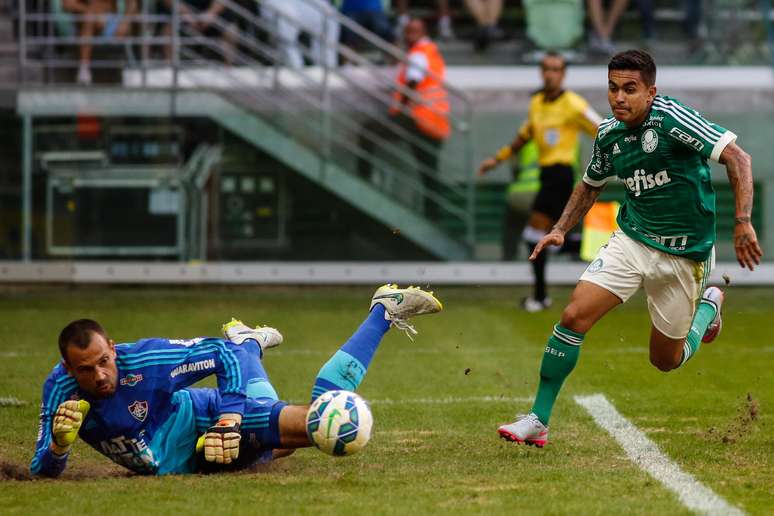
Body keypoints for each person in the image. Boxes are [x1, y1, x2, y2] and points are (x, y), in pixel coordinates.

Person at [497, 49, 763, 447]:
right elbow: (590, 183)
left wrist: (742, 222)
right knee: (573, 316)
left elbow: (738, 159)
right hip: (633, 240)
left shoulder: (672, 118)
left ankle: (707, 307)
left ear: (651, 92)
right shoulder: (609, 134)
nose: (619, 98)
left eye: (629, 89)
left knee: (665, 361)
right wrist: (560, 228)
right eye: (612, 88)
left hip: (684, 253)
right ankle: (539, 418)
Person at [30, 284, 442, 476]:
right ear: (68, 369)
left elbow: (216, 353)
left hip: (206, 420)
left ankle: (381, 312)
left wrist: (228, 418)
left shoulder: (150, 361)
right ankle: (250, 346)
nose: (100, 374)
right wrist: (58, 445)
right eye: (86, 368)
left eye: (105, 360)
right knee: (282, 451)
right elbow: (41, 469)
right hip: (193, 458)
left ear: (114, 349)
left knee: (318, 426)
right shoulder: (60, 392)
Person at [477, 52, 601, 312]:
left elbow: (601, 128)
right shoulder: (537, 104)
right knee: (547, 237)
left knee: (534, 235)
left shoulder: (573, 103)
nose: (550, 73)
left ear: (563, 74)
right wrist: (496, 160)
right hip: (547, 176)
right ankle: (598, 246)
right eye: (546, 68)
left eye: (555, 69)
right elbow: (524, 136)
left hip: (561, 175)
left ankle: (541, 296)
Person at [357, 18, 450, 219]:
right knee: (429, 172)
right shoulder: (431, 53)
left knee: (368, 131)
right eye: (407, 32)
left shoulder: (418, 54)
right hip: (434, 121)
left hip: (415, 118)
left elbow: (413, 81)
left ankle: (362, 180)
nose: (409, 36)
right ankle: (434, 216)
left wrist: (400, 110)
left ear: (424, 33)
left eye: (414, 32)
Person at [64, 0, 138, 85]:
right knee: (89, 18)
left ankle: (133, 69)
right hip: (83, 23)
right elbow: (67, 4)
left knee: (92, 18)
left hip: (109, 22)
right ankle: (84, 69)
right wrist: (89, 11)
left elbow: (132, 3)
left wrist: (125, 22)